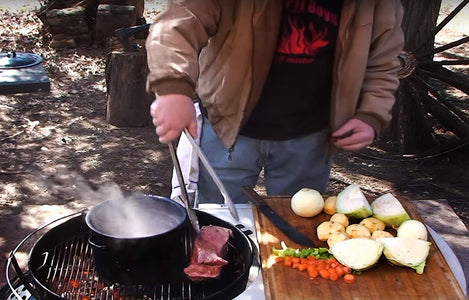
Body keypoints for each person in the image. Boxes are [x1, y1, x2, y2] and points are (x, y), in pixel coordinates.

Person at [146, 0, 404, 204]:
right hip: (227, 128)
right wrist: (173, 88)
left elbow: (382, 60)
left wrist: (371, 114)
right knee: (217, 223)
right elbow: (175, 28)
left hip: (310, 137)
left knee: (298, 230)